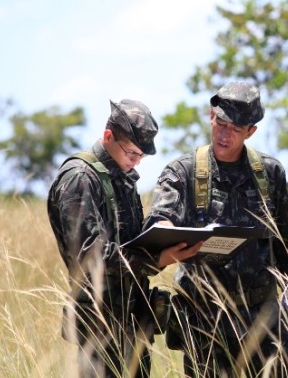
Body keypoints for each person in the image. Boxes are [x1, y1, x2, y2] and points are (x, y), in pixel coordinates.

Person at [144, 82, 288, 378]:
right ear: (210, 116)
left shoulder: (270, 174)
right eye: (220, 123)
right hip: (207, 320)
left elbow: (286, 249)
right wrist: (166, 228)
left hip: (263, 316)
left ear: (251, 131)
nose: (223, 134)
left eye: (234, 128)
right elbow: (160, 219)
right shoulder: (184, 171)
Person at [47, 99, 201, 378]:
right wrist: (157, 258)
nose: (136, 161)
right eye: (131, 152)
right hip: (99, 329)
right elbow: (90, 256)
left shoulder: (122, 177)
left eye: (141, 156)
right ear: (108, 137)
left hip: (134, 322)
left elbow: (131, 242)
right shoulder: (80, 178)